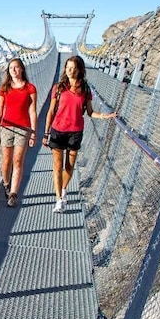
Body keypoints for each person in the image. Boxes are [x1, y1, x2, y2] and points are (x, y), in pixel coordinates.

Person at [42, 55, 117, 213]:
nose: (69, 70)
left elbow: (90, 112)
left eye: (73, 68)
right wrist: (45, 133)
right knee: (57, 166)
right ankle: (59, 200)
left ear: (80, 69)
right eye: (67, 67)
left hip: (75, 132)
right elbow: (50, 111)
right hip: (57, 130)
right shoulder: (59, 87)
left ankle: (62, 189)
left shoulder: (85, 89)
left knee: (69, 166)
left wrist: (104, 116)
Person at [0, 58, 38, 208]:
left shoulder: (30, 88)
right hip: (6, 127)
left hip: (23, 128)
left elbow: (32, 111)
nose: (13, 70)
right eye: (11, 68)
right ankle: (6, 184)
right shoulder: (4, 88)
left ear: (22, 69)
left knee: (18, 160)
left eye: (16, 67)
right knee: (6, 160)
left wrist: (33, 132)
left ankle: (13, 194)